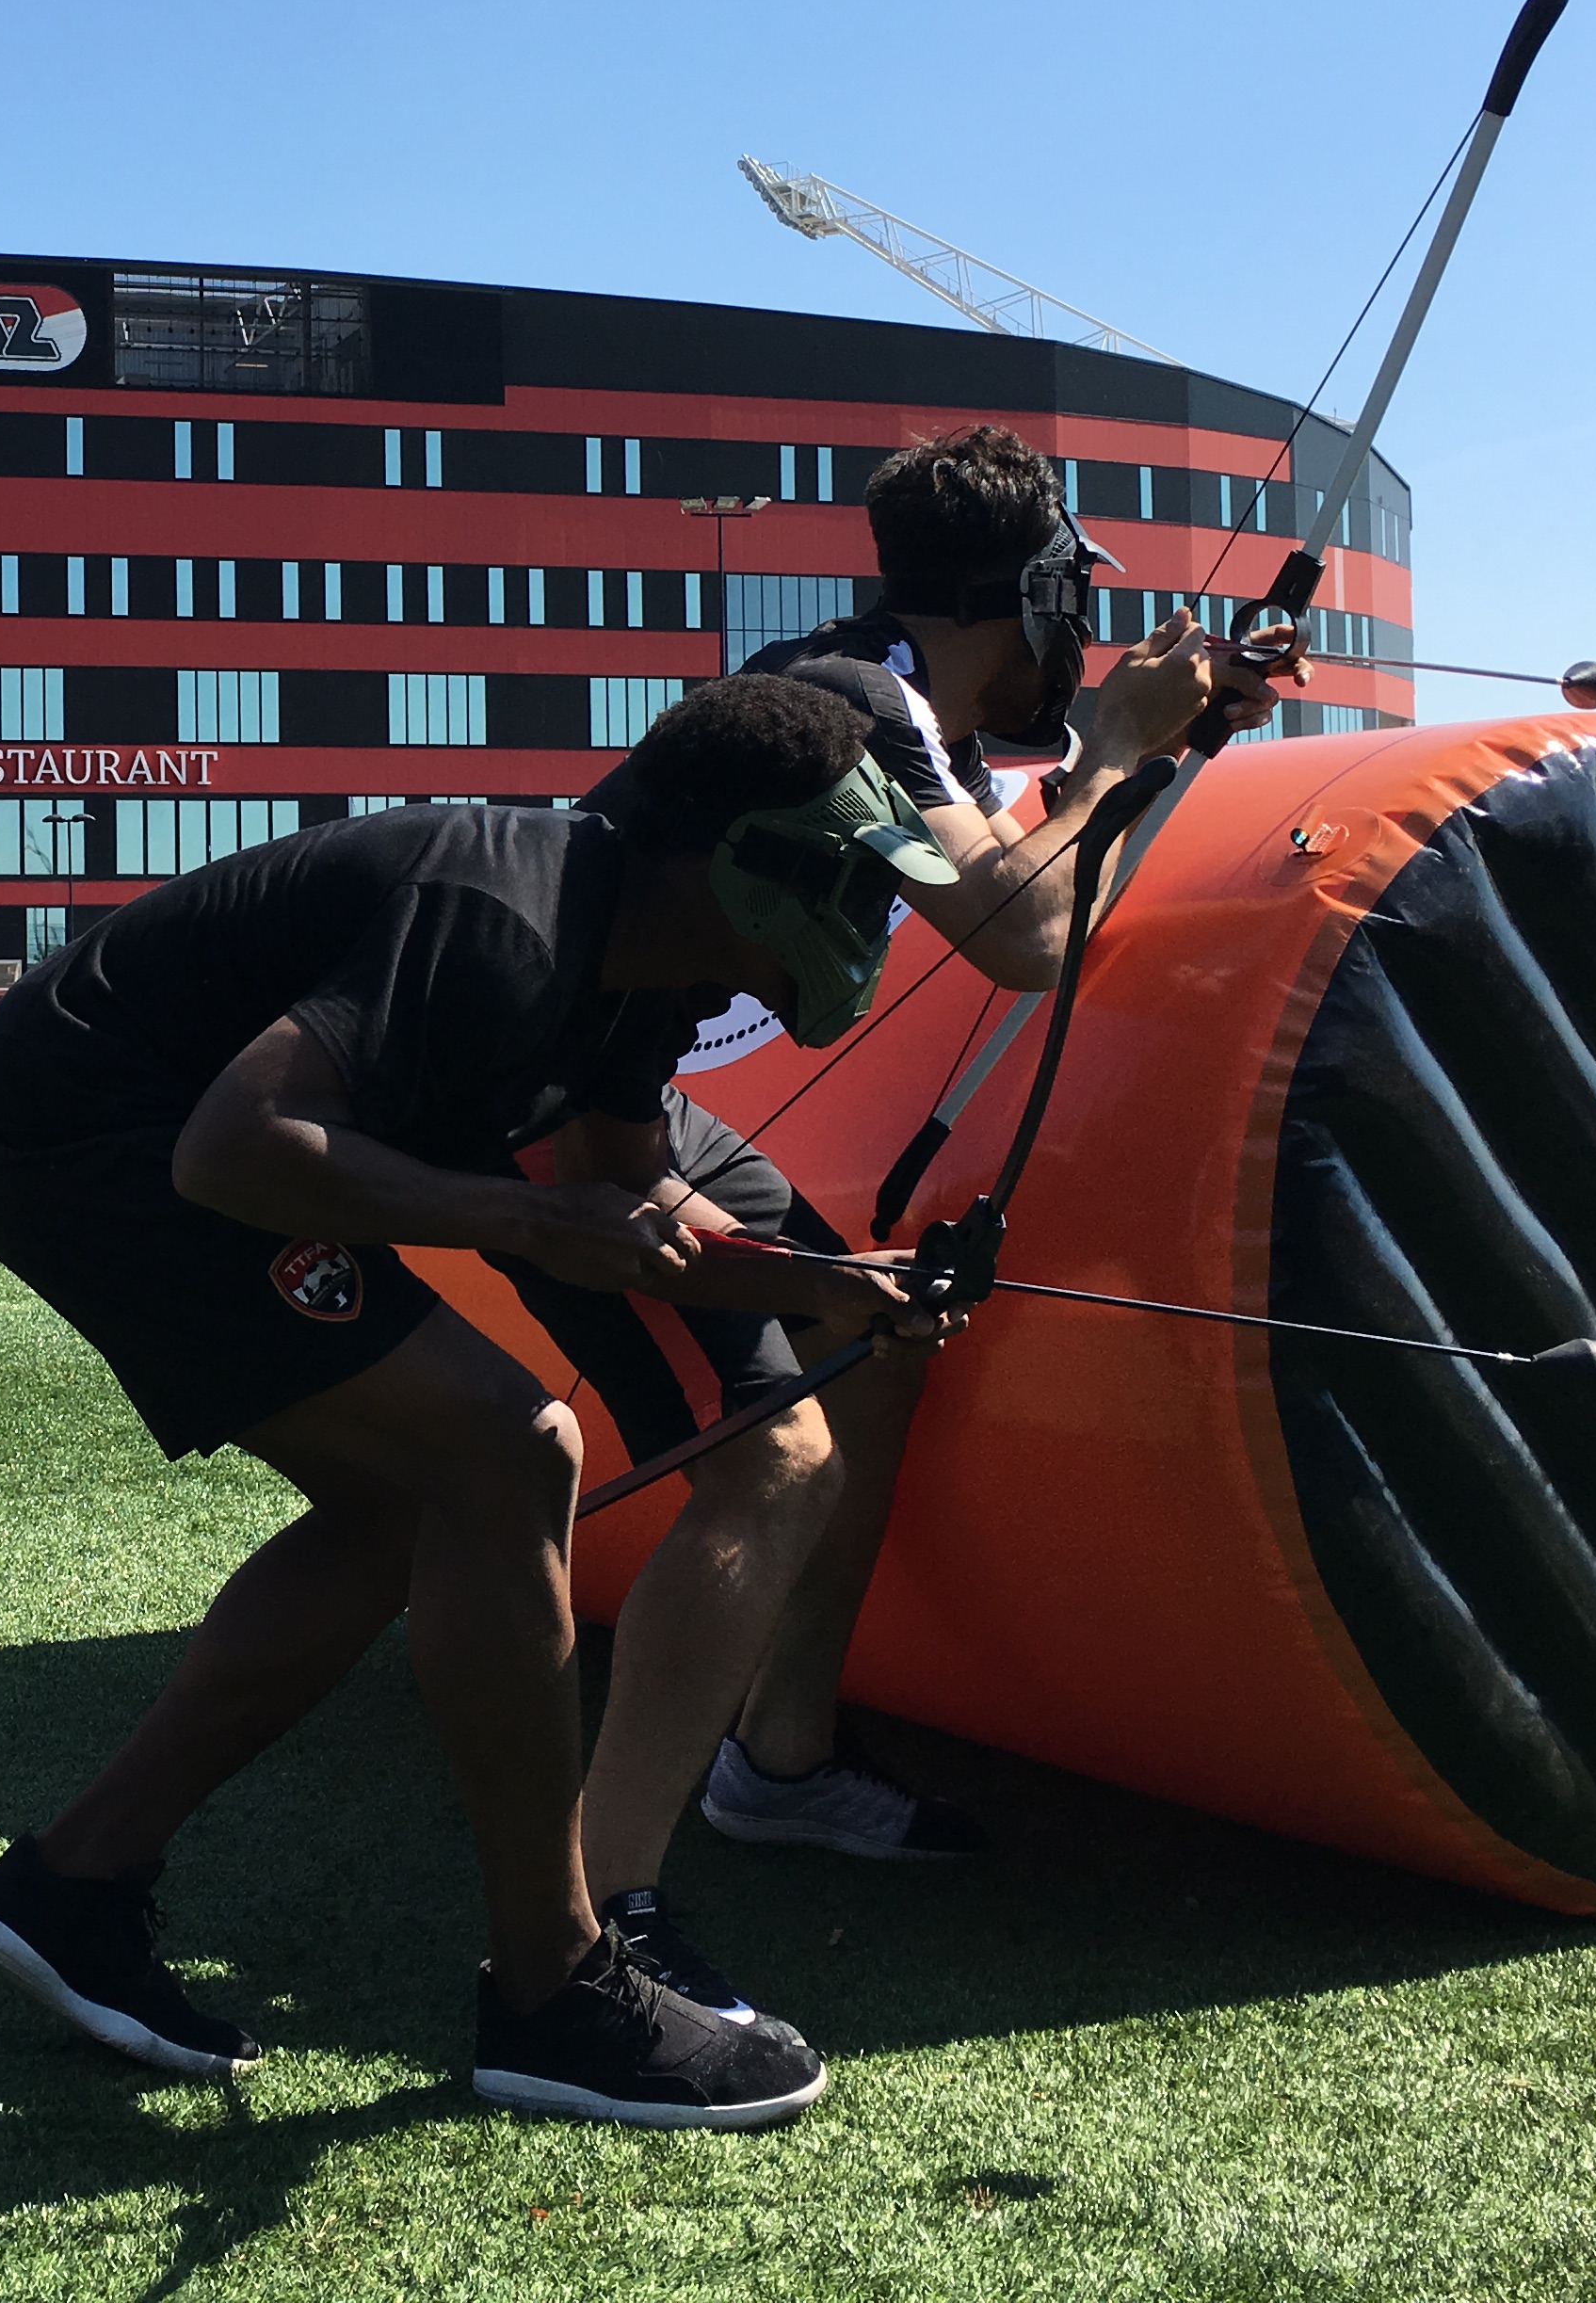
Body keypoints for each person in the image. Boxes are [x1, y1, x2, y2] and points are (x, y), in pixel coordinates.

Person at [0, 674, 962, 2128]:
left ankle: (74, 1888)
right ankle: (555, 1988)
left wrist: (832, 1283)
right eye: (851, 883)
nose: (868, 920)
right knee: (505, 1448)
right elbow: (235, 1147)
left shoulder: (640, 962)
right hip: (88, 1143)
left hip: (155, 1149)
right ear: (742, 859)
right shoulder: (506, 913)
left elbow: (625, 1192)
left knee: (401, 1504)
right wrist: (519, 1221)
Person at [515, 425, 1283, 2026]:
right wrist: (1109, 747)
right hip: (555, 1116)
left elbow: (1012, 841)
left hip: (630, 1094)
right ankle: (588, 1921)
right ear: (1032, 591)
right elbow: (1026, 930)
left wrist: (1153, 738)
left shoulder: (865, 680)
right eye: (1073, 601)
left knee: (869, 1349)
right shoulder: (868, 707)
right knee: (770, 1450)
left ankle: (781, 1757)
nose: (1078, 635)